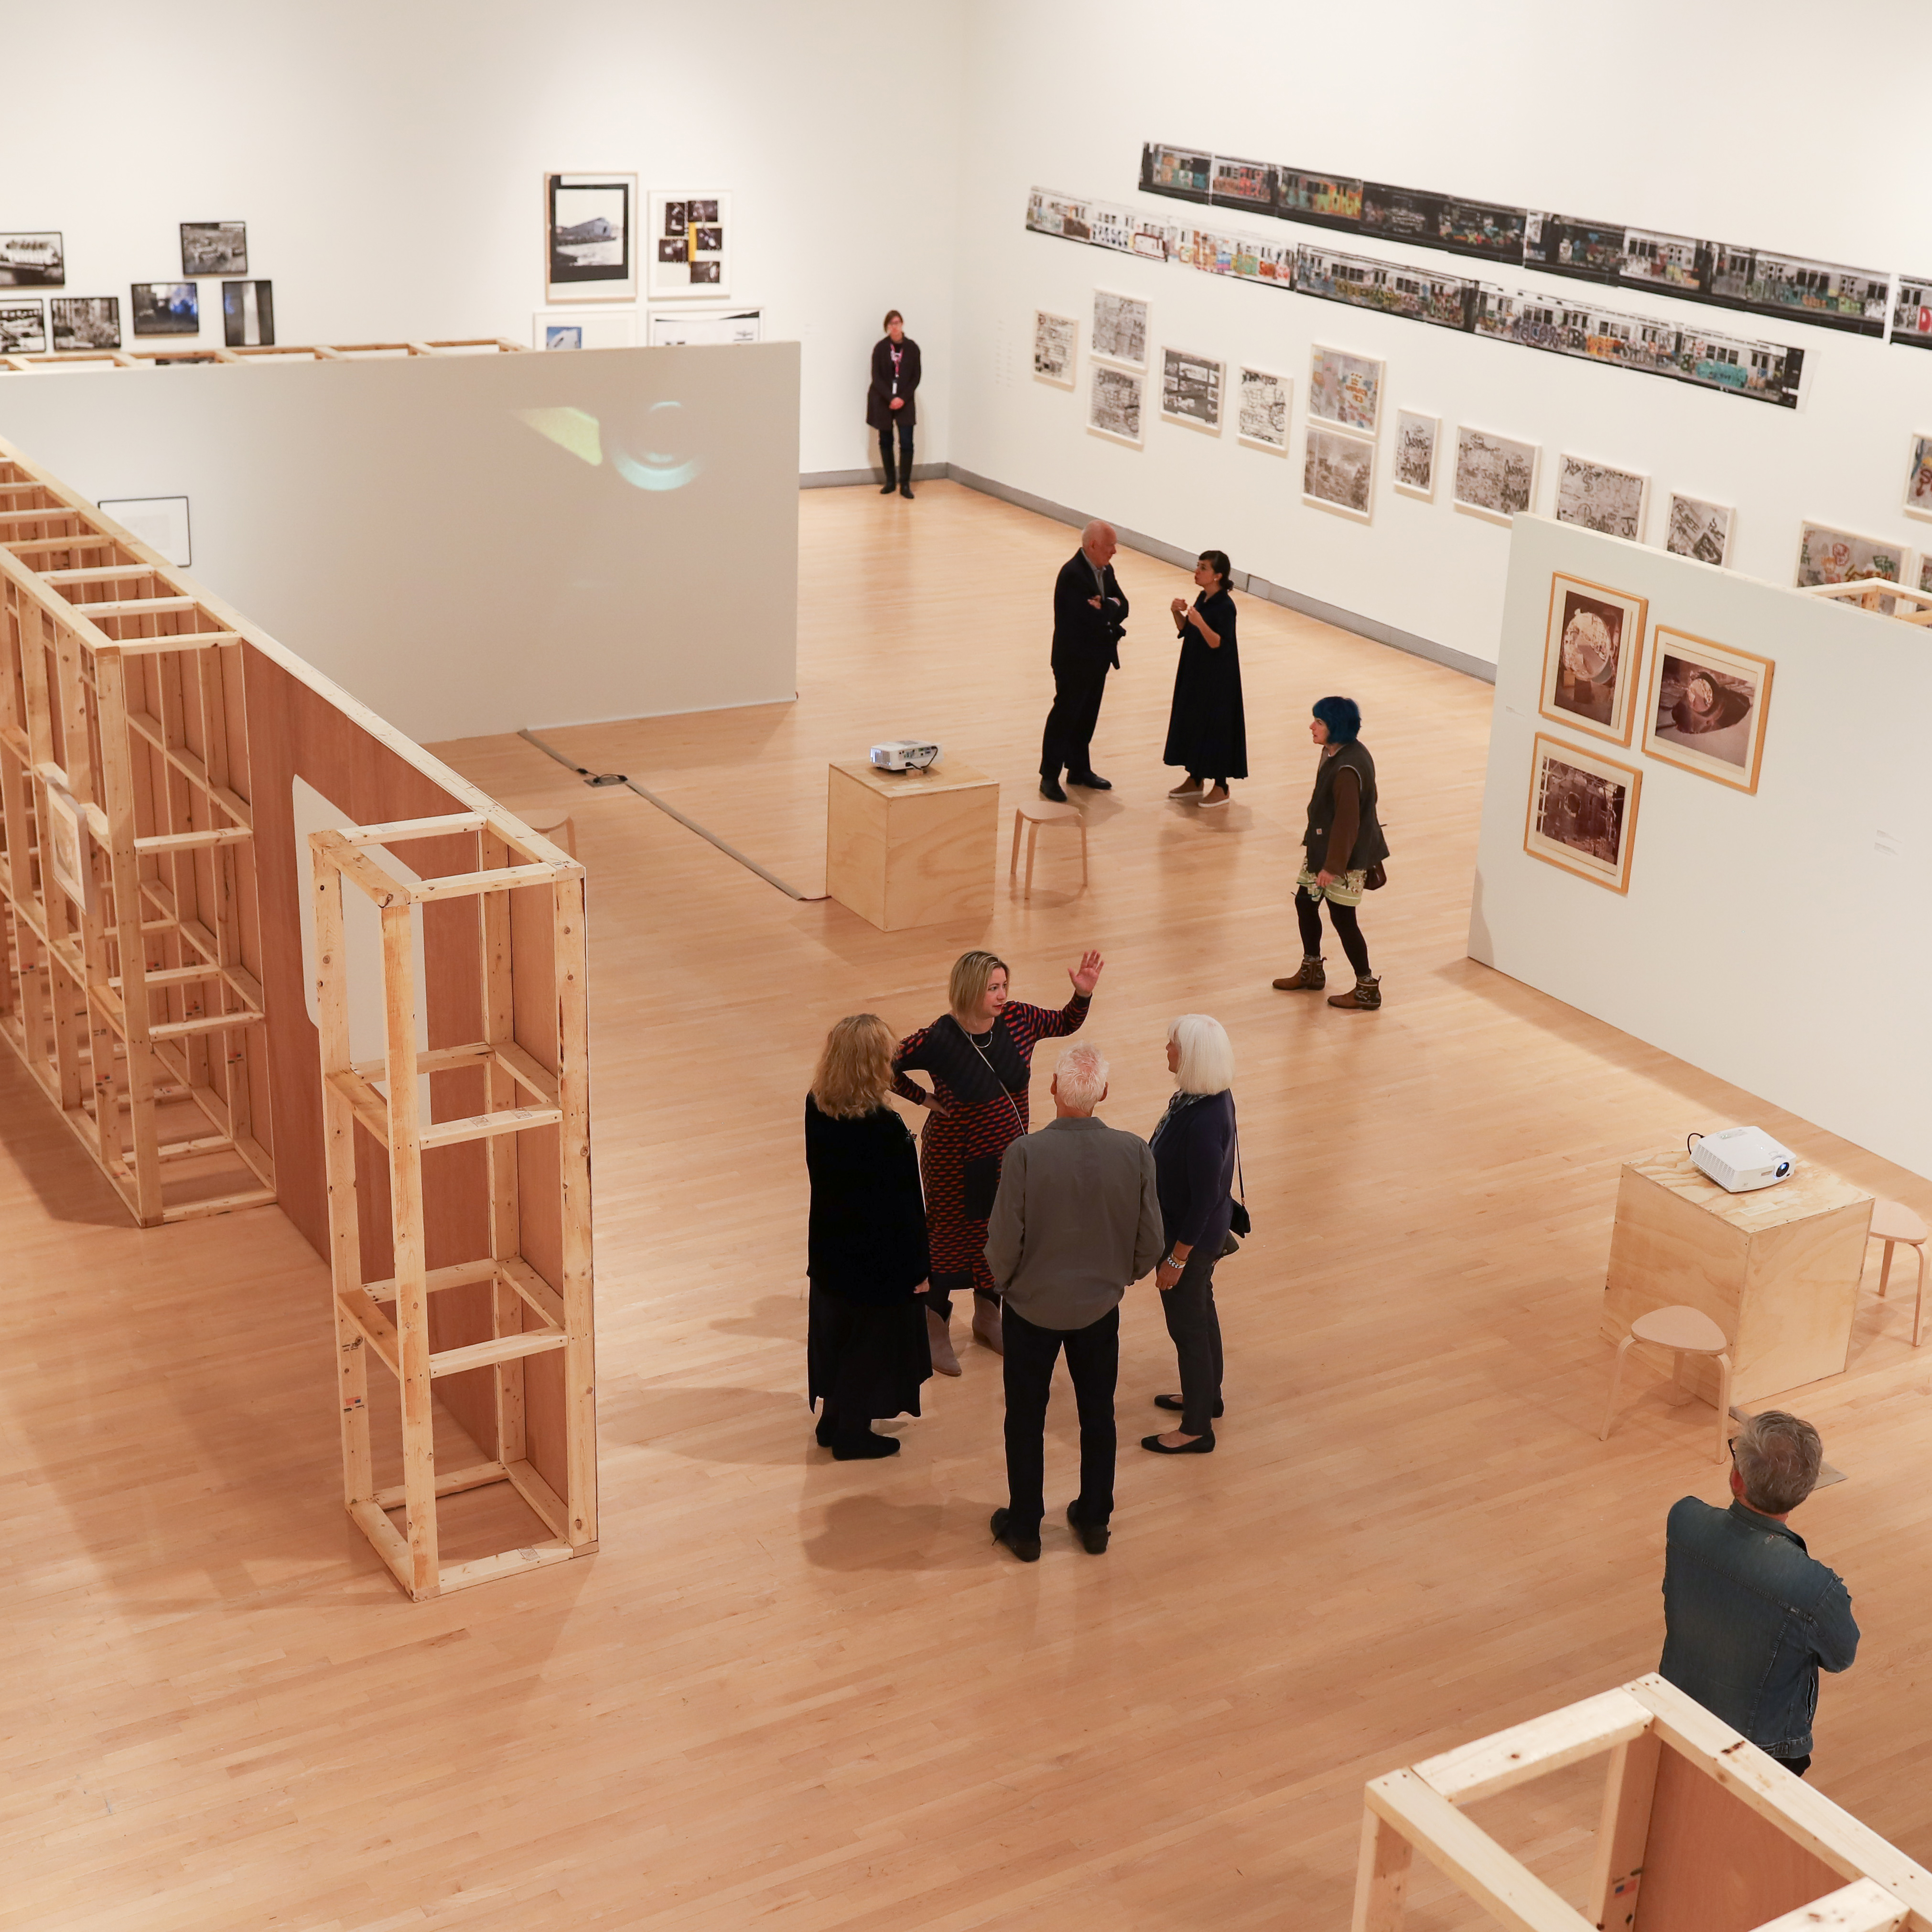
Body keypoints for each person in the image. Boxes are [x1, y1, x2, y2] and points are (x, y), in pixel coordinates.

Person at [984, 1043, 1164, 1560]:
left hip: (1030, 1310)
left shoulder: (1023, 1152)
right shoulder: (1133, 1151)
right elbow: (1150, 1239)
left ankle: (1024, 1528)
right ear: (1103, 1092)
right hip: (1098, 1310)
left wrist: (1008, 1285)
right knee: (1097, 1413)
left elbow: (1002, 1241)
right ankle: (1093, 1519)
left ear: (1051, 1089)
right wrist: (1118, 1277)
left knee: (1025, 1417)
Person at [892, 948, 1104, 1368]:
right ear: (969, 989)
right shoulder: (939, 1037)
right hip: (953, 1160)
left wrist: (1081, 994)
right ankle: (933, 1321)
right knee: (948, 1238)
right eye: (993, 988)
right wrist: (923, 1098)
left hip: (1007, 1154)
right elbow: (882, 1062)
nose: (1002, 994)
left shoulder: (1020, 1019)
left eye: (1004, 985)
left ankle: (988, 1315)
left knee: (998, 1235)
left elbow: (1064, 1022)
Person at [1660, 1411, 1858, 1778]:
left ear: (1737, 1479)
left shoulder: (1684, 1519)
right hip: (1763, 1749)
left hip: (1679, 1710)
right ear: (1805, 1489)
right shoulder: (1815, 1587)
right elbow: (1841, 1656)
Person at [803, 1015, 933, 1460]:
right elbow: (907, 1209)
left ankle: (833, 1417)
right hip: (876, 1260)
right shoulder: (883, 1130)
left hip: (828, 1247)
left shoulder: (816, 1103)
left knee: (836, 1333)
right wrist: (920, 1269)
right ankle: (852, 1434)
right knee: (869, 1344)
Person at [1144, 1015, 1237, 1454]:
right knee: (1202, 1313)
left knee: (1188, 1329)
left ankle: (1196, 1427)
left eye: (1173, 1045)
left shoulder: (1201, 1123)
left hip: (1191, 1237)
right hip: (1201, 1230)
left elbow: (1202, 1200)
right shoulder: (1203, 1097)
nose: (1167, 1049)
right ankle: (1208, 1396)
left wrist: (1176, 1259)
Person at [1272, 696, 1389, 1012]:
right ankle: (1312, 969)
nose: (1311, 726)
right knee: (1305, 902)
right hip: (1324, 851)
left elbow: (1347, 823)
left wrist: (1332, 866)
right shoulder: (1337, 752)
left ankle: (1366, 987)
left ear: (1334, 727)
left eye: (1319, 722)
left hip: (1341, 859)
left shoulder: (1347, 769)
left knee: (1342, 918)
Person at [1039, 521, 1129, 803]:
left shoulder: (1106, 570)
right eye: (1110, 545)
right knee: (1066, 716)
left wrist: (1106, 605)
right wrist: (1107, 608)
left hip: (1098, 657)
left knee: (1087, 715)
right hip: (1074, 659)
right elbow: (1086, 619)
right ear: (1093, 545)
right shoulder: (1073, 574)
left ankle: (1079, 769)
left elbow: (1123, 605)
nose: (1115, 551)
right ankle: (1049, 776)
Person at [1163, 551, 1248, 809]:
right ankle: (1195, 778)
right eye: (1198, 566)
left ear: (1218, 576)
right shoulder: (1204, 597)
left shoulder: (1225, 606)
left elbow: (1218, 642)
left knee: (1215, 728)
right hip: (1195, 671)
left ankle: (1221, 787)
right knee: (1193, 722)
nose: (1197, 571)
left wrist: (1199, 622)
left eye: (1203, 568)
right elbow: (1186, 631)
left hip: (1217, 678)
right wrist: (1176, 613)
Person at [866, 310, 920, 499]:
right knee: (886, 440)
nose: (894, 326)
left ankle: (905, 484)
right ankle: (890, 481)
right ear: (887, 327)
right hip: (884, 400)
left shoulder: (912, 348)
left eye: (897, 323)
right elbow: (877, 377)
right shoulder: (881, 348)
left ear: (902, 324)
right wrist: (891, 398)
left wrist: (902, 399)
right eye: (891, 324)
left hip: (905, 401)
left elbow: (916, 377)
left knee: (906, 442)